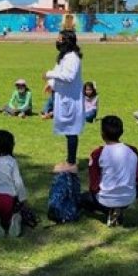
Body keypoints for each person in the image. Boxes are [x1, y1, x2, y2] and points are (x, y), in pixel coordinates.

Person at [81, 115, 138, 227]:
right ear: (122, 131)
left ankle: (109, 210)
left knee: (82, 198)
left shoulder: (97, 153)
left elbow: (93, 185)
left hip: (105, 199)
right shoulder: (133, 150)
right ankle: (117, 209)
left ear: (102, 134)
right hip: (128, 198)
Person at [44, 22, 85, 173]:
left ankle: (71, 162)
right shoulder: (64, 57)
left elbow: (68, 76)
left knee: (71, 130)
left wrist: (48, 74)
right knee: (68, 131)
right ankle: (69, 160)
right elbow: (59, 72)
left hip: (71, 99)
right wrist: (51, 84)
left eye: (60, 39)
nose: (57, 41)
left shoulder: (72, 58)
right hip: (64, 97)